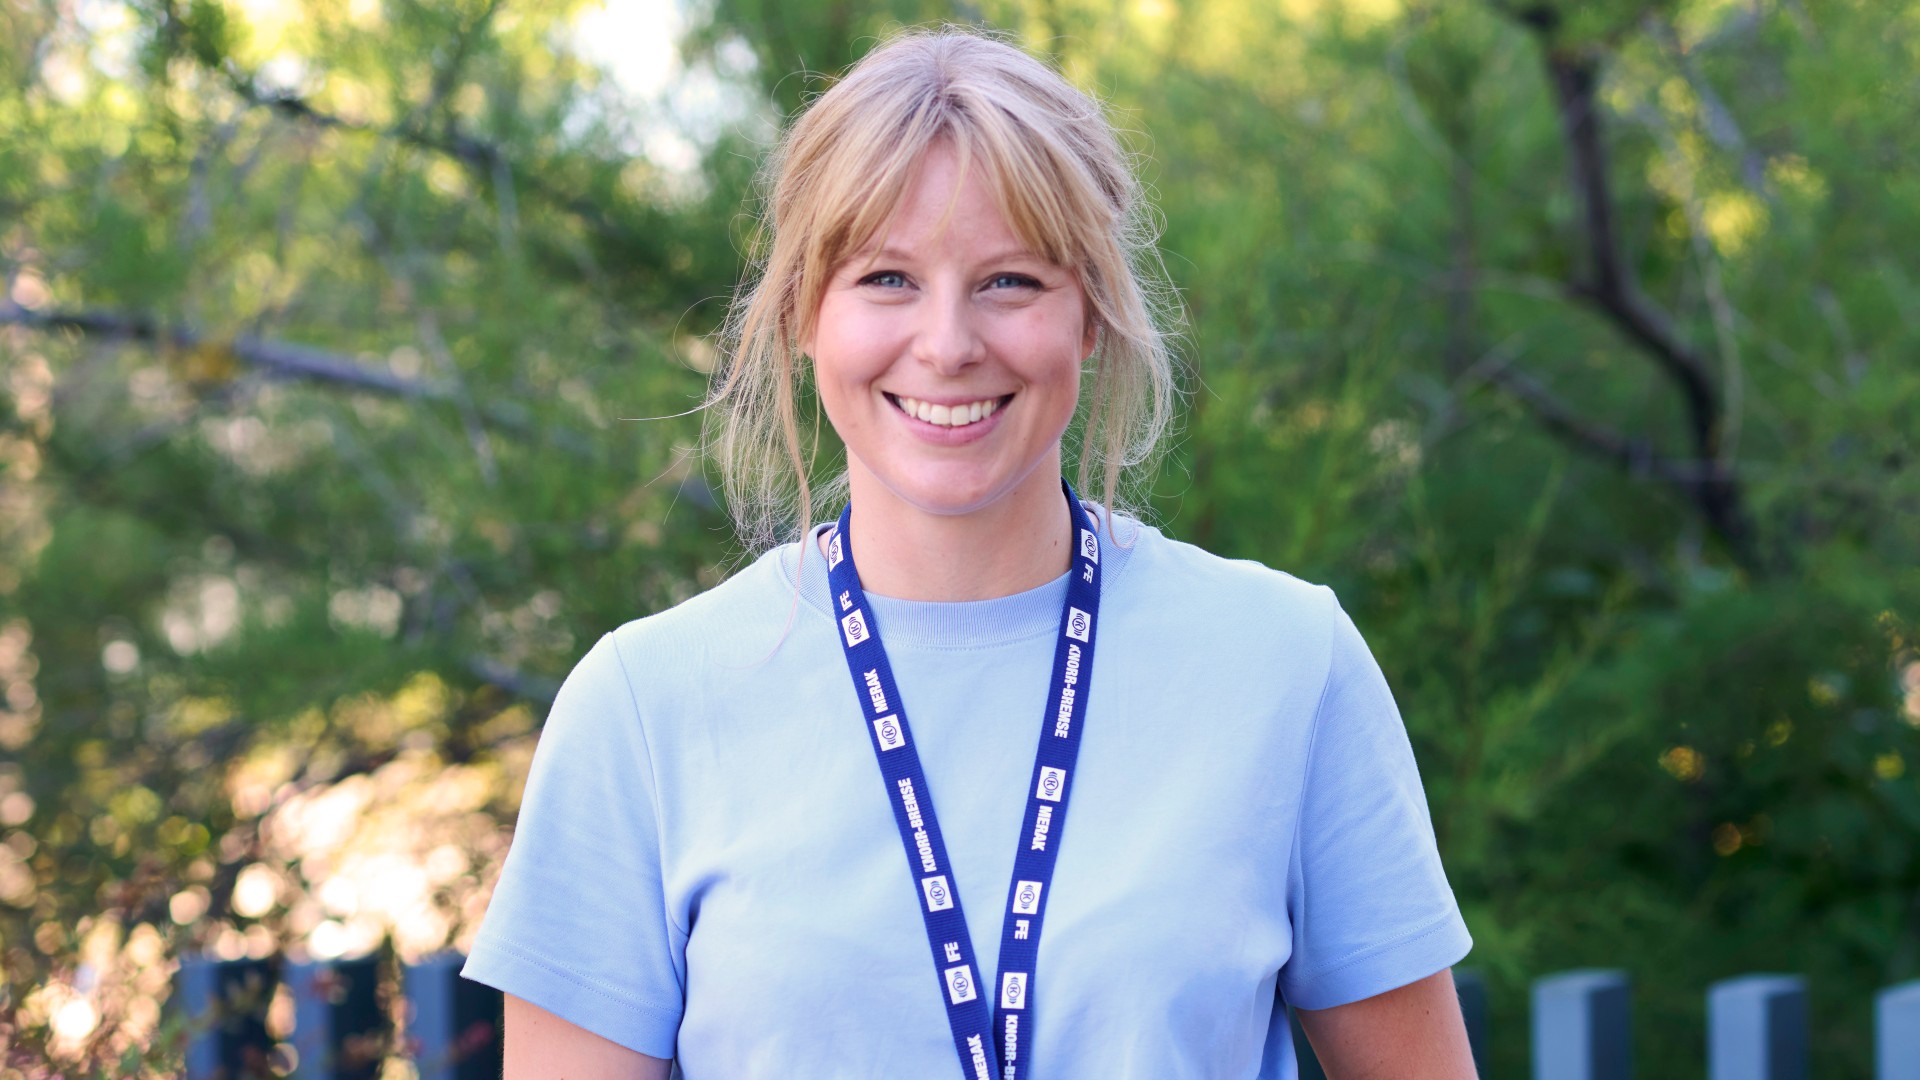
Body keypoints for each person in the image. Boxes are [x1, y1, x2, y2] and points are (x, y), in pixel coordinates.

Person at [462, 26, 1476, 1080]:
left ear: (1090, 314)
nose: (947, 344)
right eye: (889, 278)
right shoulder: (643, 705)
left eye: (1009, 282)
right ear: (807, 314)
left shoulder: (1284, 664)